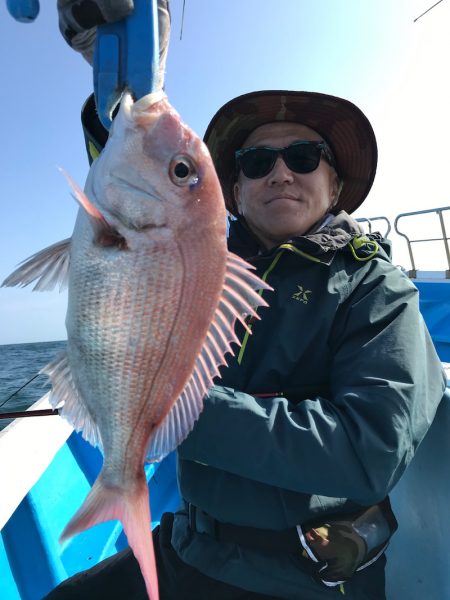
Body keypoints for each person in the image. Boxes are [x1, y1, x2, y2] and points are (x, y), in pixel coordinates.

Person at [47, 3, 447, 599]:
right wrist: (116, 84)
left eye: (305, 157)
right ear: (233, 189)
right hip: (189, 545)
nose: (281, 173)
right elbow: (135, 200)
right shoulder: (200, 262)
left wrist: (171, 411)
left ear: (335, 184)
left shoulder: (376, 288)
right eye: (258, 163)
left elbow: (371, 448)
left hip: (306, 580)